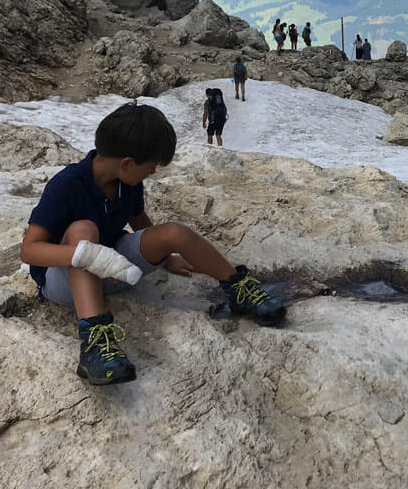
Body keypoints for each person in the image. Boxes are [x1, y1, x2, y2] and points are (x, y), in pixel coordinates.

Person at [20, 102, 285, 386]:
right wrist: (90, 256)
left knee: (174, 232)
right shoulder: (66, 184)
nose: (153, 172)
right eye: (151, 167)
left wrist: (165, 256)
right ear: (126, 163)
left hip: (115, 269)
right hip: (65, 283)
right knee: (82, 230)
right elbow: (29, 250)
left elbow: (139, 221)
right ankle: (95, 344)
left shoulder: (128, 183)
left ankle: (238, 289)